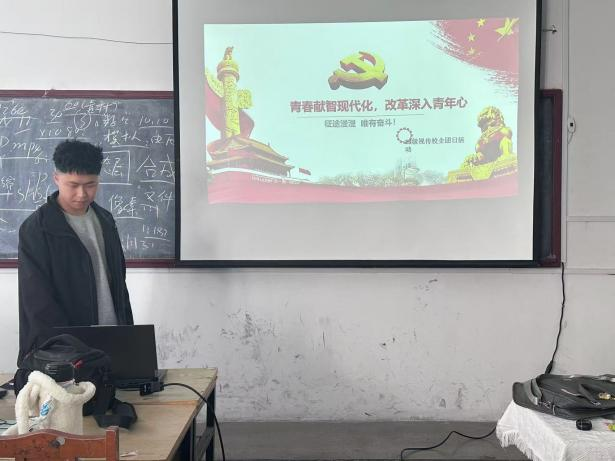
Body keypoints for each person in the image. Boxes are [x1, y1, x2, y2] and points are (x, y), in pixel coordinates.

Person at [17, 139, 133, 364]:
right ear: (56, 178)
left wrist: (128, 334)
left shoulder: (106, 220)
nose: (82, 194)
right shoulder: (37, 229)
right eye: (73, 185)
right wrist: (67, 350)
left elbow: (120, 285)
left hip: (112, 339)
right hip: (66, 350)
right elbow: (38, 302)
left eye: (90, 185)